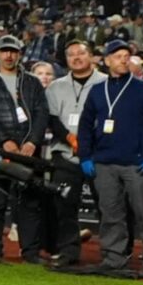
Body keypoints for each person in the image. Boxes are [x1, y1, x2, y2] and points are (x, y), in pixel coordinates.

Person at [76, 41, 143, 280]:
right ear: (106, 60)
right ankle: (113, 258)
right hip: (104, 162)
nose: (123, 60)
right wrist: (86, 156)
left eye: (126, 56)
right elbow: (85, 125)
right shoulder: (98, 90)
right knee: (110, 214)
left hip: (137, 163)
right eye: (118, 56)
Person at [0, 38, 52, 264]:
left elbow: (41, 113)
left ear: (20, 54)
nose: (9, 55)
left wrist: (32, 141)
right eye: (5, 51)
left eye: (13, 51)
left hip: (28, 150)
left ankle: (30, 252)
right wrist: (4, 140)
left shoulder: (32, 82)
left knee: (30, 202)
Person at [45, 41, 105, 270]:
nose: (76, 57)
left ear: (91, 56)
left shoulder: (106, 82)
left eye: (81, 53)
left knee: (107, 205)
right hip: (65, 153)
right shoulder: (55, 86)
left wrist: (88, 141)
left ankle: (113, 253)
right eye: (71, 55)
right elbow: (52, 119)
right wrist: (70, 138)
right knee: (64, 205)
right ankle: (68, 251)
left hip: (99, 153)